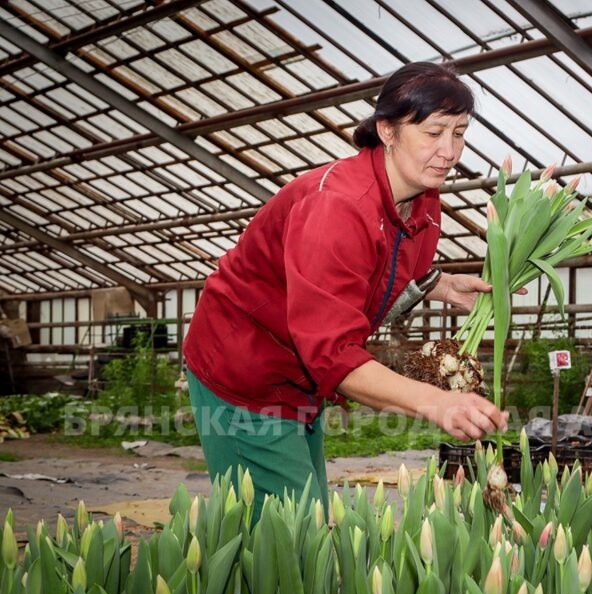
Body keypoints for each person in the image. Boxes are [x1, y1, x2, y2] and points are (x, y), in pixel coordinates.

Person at [183, 62, 508, 520]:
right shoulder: (335, 206)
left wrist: (440, 284)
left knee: (301, 517)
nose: (449, 151)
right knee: (286, 535)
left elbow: (380, 268)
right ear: (387, 130)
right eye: (434, 132)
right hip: (245, 372)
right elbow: (332, 352)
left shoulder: (422, 200)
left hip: (301, 379)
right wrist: (438, 401)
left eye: (459, 133)